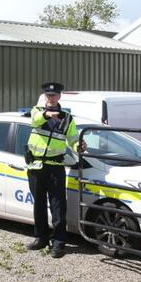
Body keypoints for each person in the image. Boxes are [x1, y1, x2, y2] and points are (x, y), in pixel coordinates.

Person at [24, 82, 85, 258]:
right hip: (36, 166)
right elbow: (35, 120)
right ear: (44, 96)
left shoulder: (67, 118)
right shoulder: (37, 111)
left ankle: (58, 242)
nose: (50, 98)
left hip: (55, 167)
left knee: (58, 206)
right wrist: (46, 114)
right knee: (39, 205)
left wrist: (78, 145)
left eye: (53, 95)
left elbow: (72, 138)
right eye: (47, 95)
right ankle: (40, 238)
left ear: (59, 96)